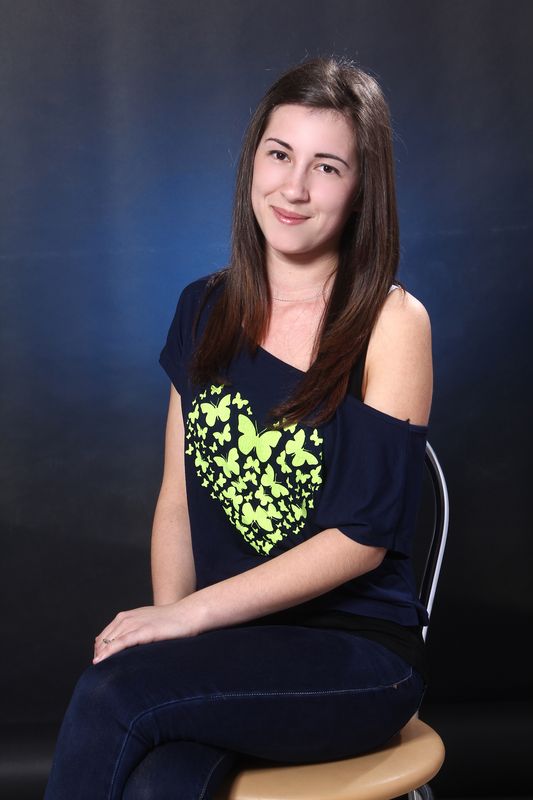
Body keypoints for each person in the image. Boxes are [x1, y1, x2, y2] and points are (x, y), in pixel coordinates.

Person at [44, 56, 433, 800]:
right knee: (158, 781)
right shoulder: (204, 308)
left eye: (326, 168)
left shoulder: (391, 321)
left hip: (356, 657)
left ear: (361, 191)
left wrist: (186, 621)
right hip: (232, 646)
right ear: (253, 160)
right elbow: (176, 501)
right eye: (279, 155)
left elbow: (362, 539)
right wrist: (170, 624)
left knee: (113, 692)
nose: (294, 187)